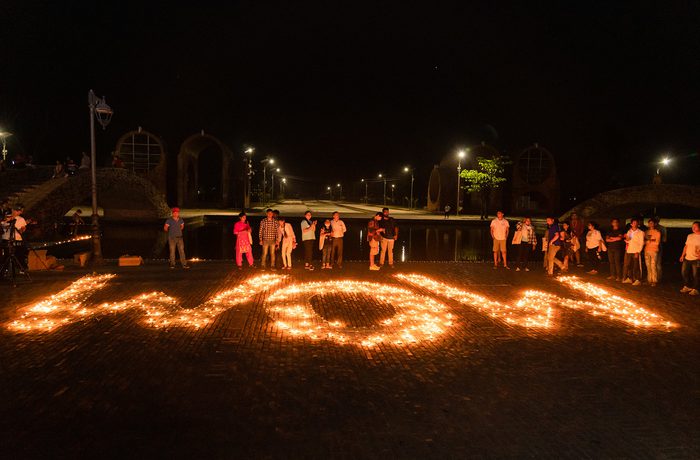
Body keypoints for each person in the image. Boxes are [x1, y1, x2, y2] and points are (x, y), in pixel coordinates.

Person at [679, 221, 700, 296]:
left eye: (695, 226)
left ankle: (696, 289)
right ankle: (687, 286)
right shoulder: (690, 236)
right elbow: (686, 246)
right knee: (684, 273)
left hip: (697, 259)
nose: (693, 228)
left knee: (696, 275)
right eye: (692, 226)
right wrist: (682, 255)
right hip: (687, 258)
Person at [622, 218, 644, 285]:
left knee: (636, 265)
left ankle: (638, 279)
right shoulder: (629, 231)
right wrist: (626, 239)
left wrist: (638, 251)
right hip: (629, 250)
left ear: (638, 224)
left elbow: (641, 243)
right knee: (629, 265)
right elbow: (628, 240)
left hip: (635, 251)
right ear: (631, 224)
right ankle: (630, 278)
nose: (635, 224)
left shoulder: (640, 232)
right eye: (633, 223)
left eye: (636, 223)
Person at [644, 218, 661, 286]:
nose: (650, 224)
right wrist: (649, 241)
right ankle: (649, 280)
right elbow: (644, 241)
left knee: (653, 265)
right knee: (648, 265)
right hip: (646, 250)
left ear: (655, 224)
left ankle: (654, 280)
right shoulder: (646, 232)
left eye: (652, 223)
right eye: (649, 223)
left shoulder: (657, 232)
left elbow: (657, 243)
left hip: (654, 250)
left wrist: (649, 241)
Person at [654, 217, 667, 281]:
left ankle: (657, 277)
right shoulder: (662, 228)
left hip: (658, 247)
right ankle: (656, 277)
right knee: (656, 263)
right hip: (656, 247)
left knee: (657, 263)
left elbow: (664, 239)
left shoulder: (661, 228)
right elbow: (664, 239)